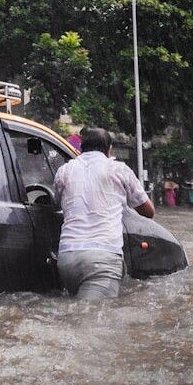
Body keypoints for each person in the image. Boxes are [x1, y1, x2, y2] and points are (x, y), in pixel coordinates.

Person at [53, 128, 155, 299]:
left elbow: (58, 203)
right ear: (109, 149)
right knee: (93, 314)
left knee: (77, 310)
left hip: (67, 258)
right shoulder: (119, 170)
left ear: (82, 148)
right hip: (102, 260)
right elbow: (148, 211)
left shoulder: (64, 171)